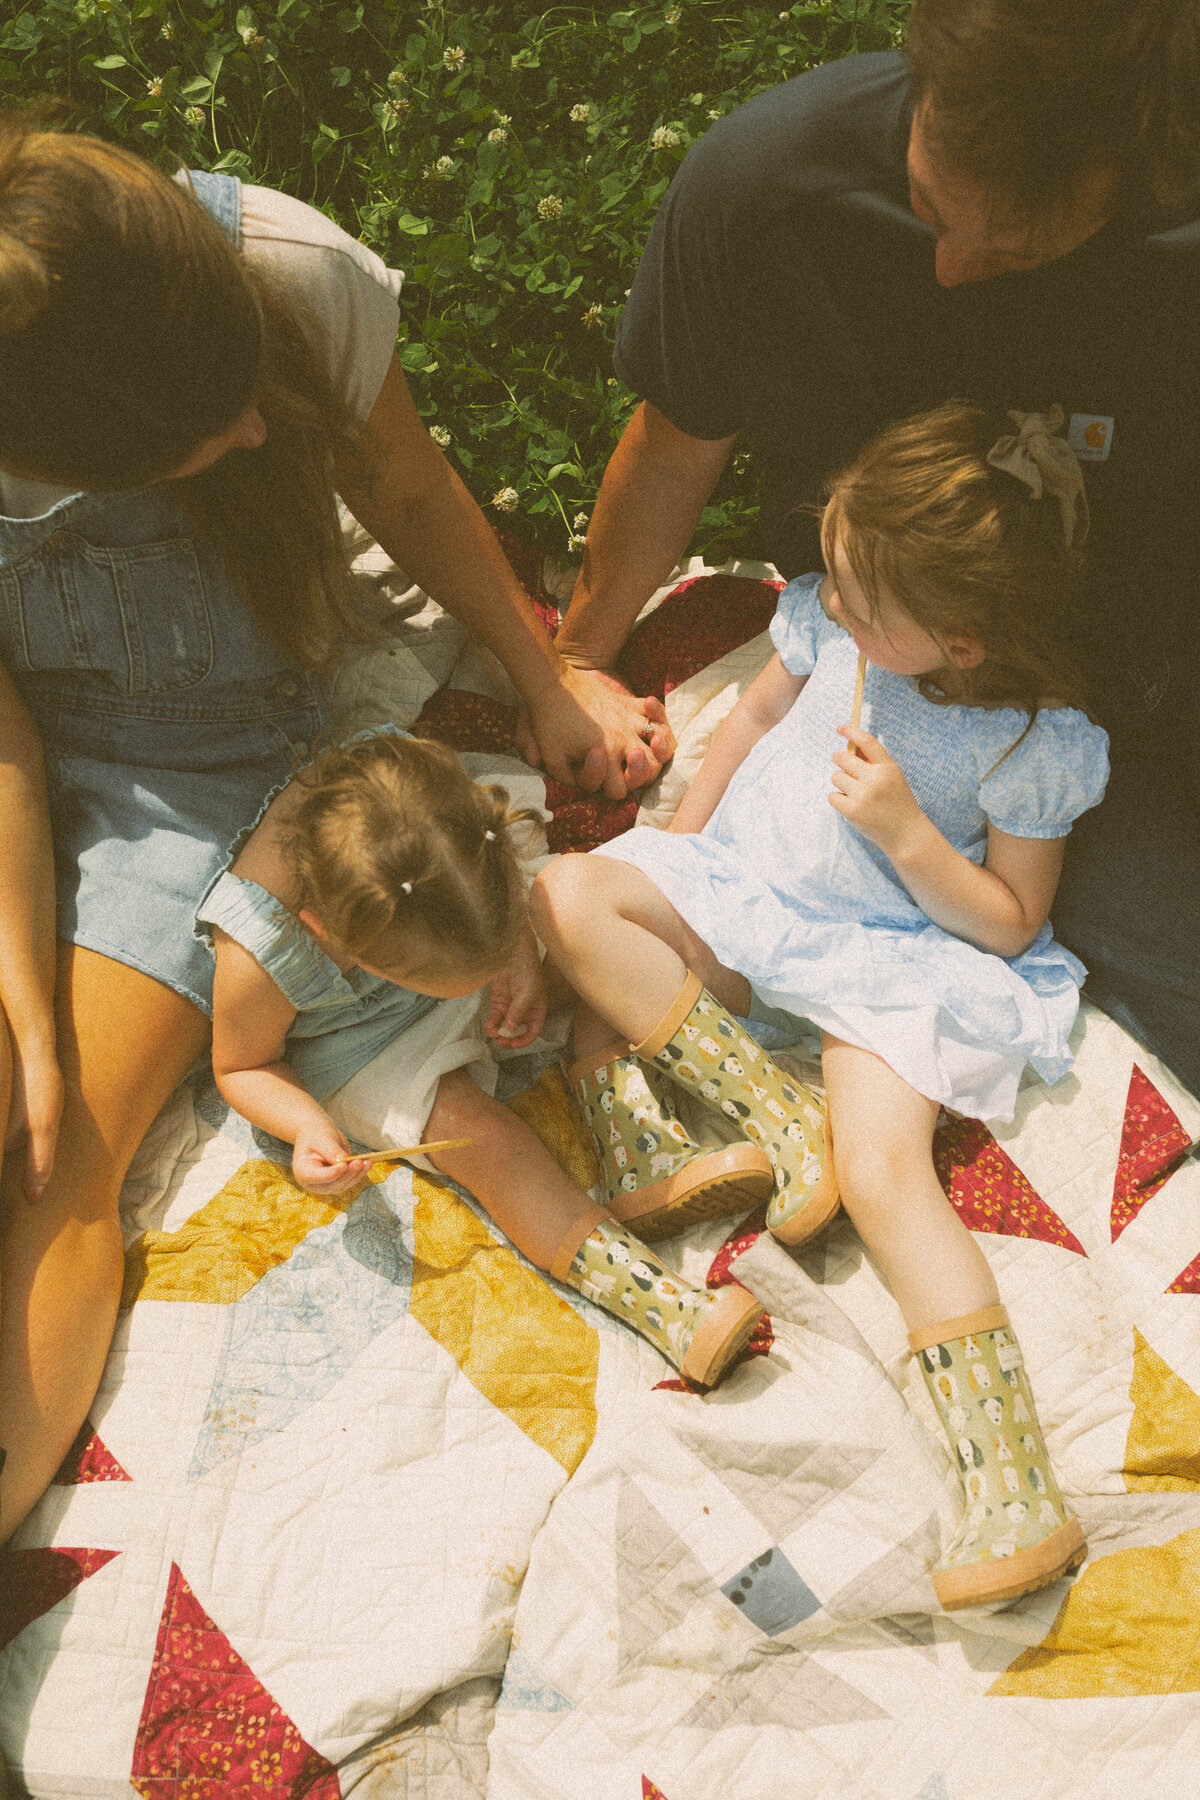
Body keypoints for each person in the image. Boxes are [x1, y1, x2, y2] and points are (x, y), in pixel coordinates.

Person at [0, 118, 665, 1542]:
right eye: (210, 433)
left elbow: (406, 483)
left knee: (60, 1158)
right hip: (20, 741)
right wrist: (18, 965)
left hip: (203, 756)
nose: (256, 434)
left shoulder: (286, 267)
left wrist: (542, 677)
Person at [559, 0, 1200, 1097]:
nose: (950, 268)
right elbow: (675, 448)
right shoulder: (767, 182)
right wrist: (571, 660)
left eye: (1013, 249)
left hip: (1111, 702)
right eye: (926, 208)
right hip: (892, 668)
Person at [533, 403, 1109, 1609]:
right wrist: (676, 858)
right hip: (753, 912)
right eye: (834, 578)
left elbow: (1008, 919)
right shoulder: (829, 626)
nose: (829, 603)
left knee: (888, 1171)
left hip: (892, 959)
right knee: (572, 900)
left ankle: (1008, 1484)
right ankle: (771, 1119)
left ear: (958, 642)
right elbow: (747, 722)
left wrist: (907, 833)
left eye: (856, 595)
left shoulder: (1030, 743)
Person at [200, 726, 763, 1388]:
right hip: (360, 1038)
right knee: (485, 1142)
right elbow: (242, 1066)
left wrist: (517, 951)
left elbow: (494, 897)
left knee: (590, 936)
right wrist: (304, 1125)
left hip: (457, 934)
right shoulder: (260, 956)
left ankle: (634, 1143)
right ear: (336, 937)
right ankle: (661, 1304)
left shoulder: (423, 807)